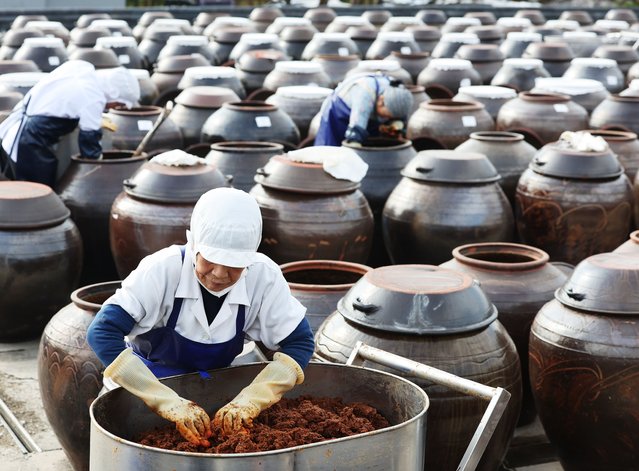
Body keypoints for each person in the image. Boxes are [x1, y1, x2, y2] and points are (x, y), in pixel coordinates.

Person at [86, 187, 315, 446]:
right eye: (210, 259)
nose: (219, 273)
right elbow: (102, 332)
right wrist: (165, 401)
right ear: (193, 243)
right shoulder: (163, 270)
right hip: (141, 390)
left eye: (233, 265)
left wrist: (252, 399)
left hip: (211, 392)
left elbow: (301, 343)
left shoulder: (263, 278)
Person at [0, 60, 140, 187]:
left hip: (21, 130)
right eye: (118, 103)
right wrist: (100, 171)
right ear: (114, 93)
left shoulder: (82, 69)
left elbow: (67, 104)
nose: (113, 107)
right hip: (29, 141)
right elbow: (90, 150)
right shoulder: (92, 95)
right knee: (38, 191)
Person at [314, 73, 413, 147]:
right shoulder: (364, 94)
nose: (385, 119)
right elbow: (356, 133)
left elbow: (399, 118)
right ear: (380, 101)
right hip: (339, 111)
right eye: (385, 116)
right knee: (330, 148)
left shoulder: (398, 92)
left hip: (368, 113)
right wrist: (355, 145)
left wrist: (396, 127)